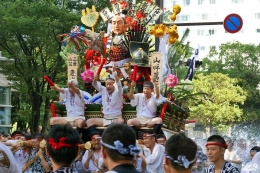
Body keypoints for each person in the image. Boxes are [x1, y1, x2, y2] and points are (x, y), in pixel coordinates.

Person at [86, 65, 124, 130]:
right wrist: (95, 78)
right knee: (89, 121)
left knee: (121, 121)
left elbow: (118, 84)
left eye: (110, 84)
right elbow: (94, 84)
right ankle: (95, 135)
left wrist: (114, 73)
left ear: (114, 84)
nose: (108, 86)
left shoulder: (118, 91)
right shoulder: (103, 90)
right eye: (107, 84)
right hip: (105, 118)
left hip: (116, 119)